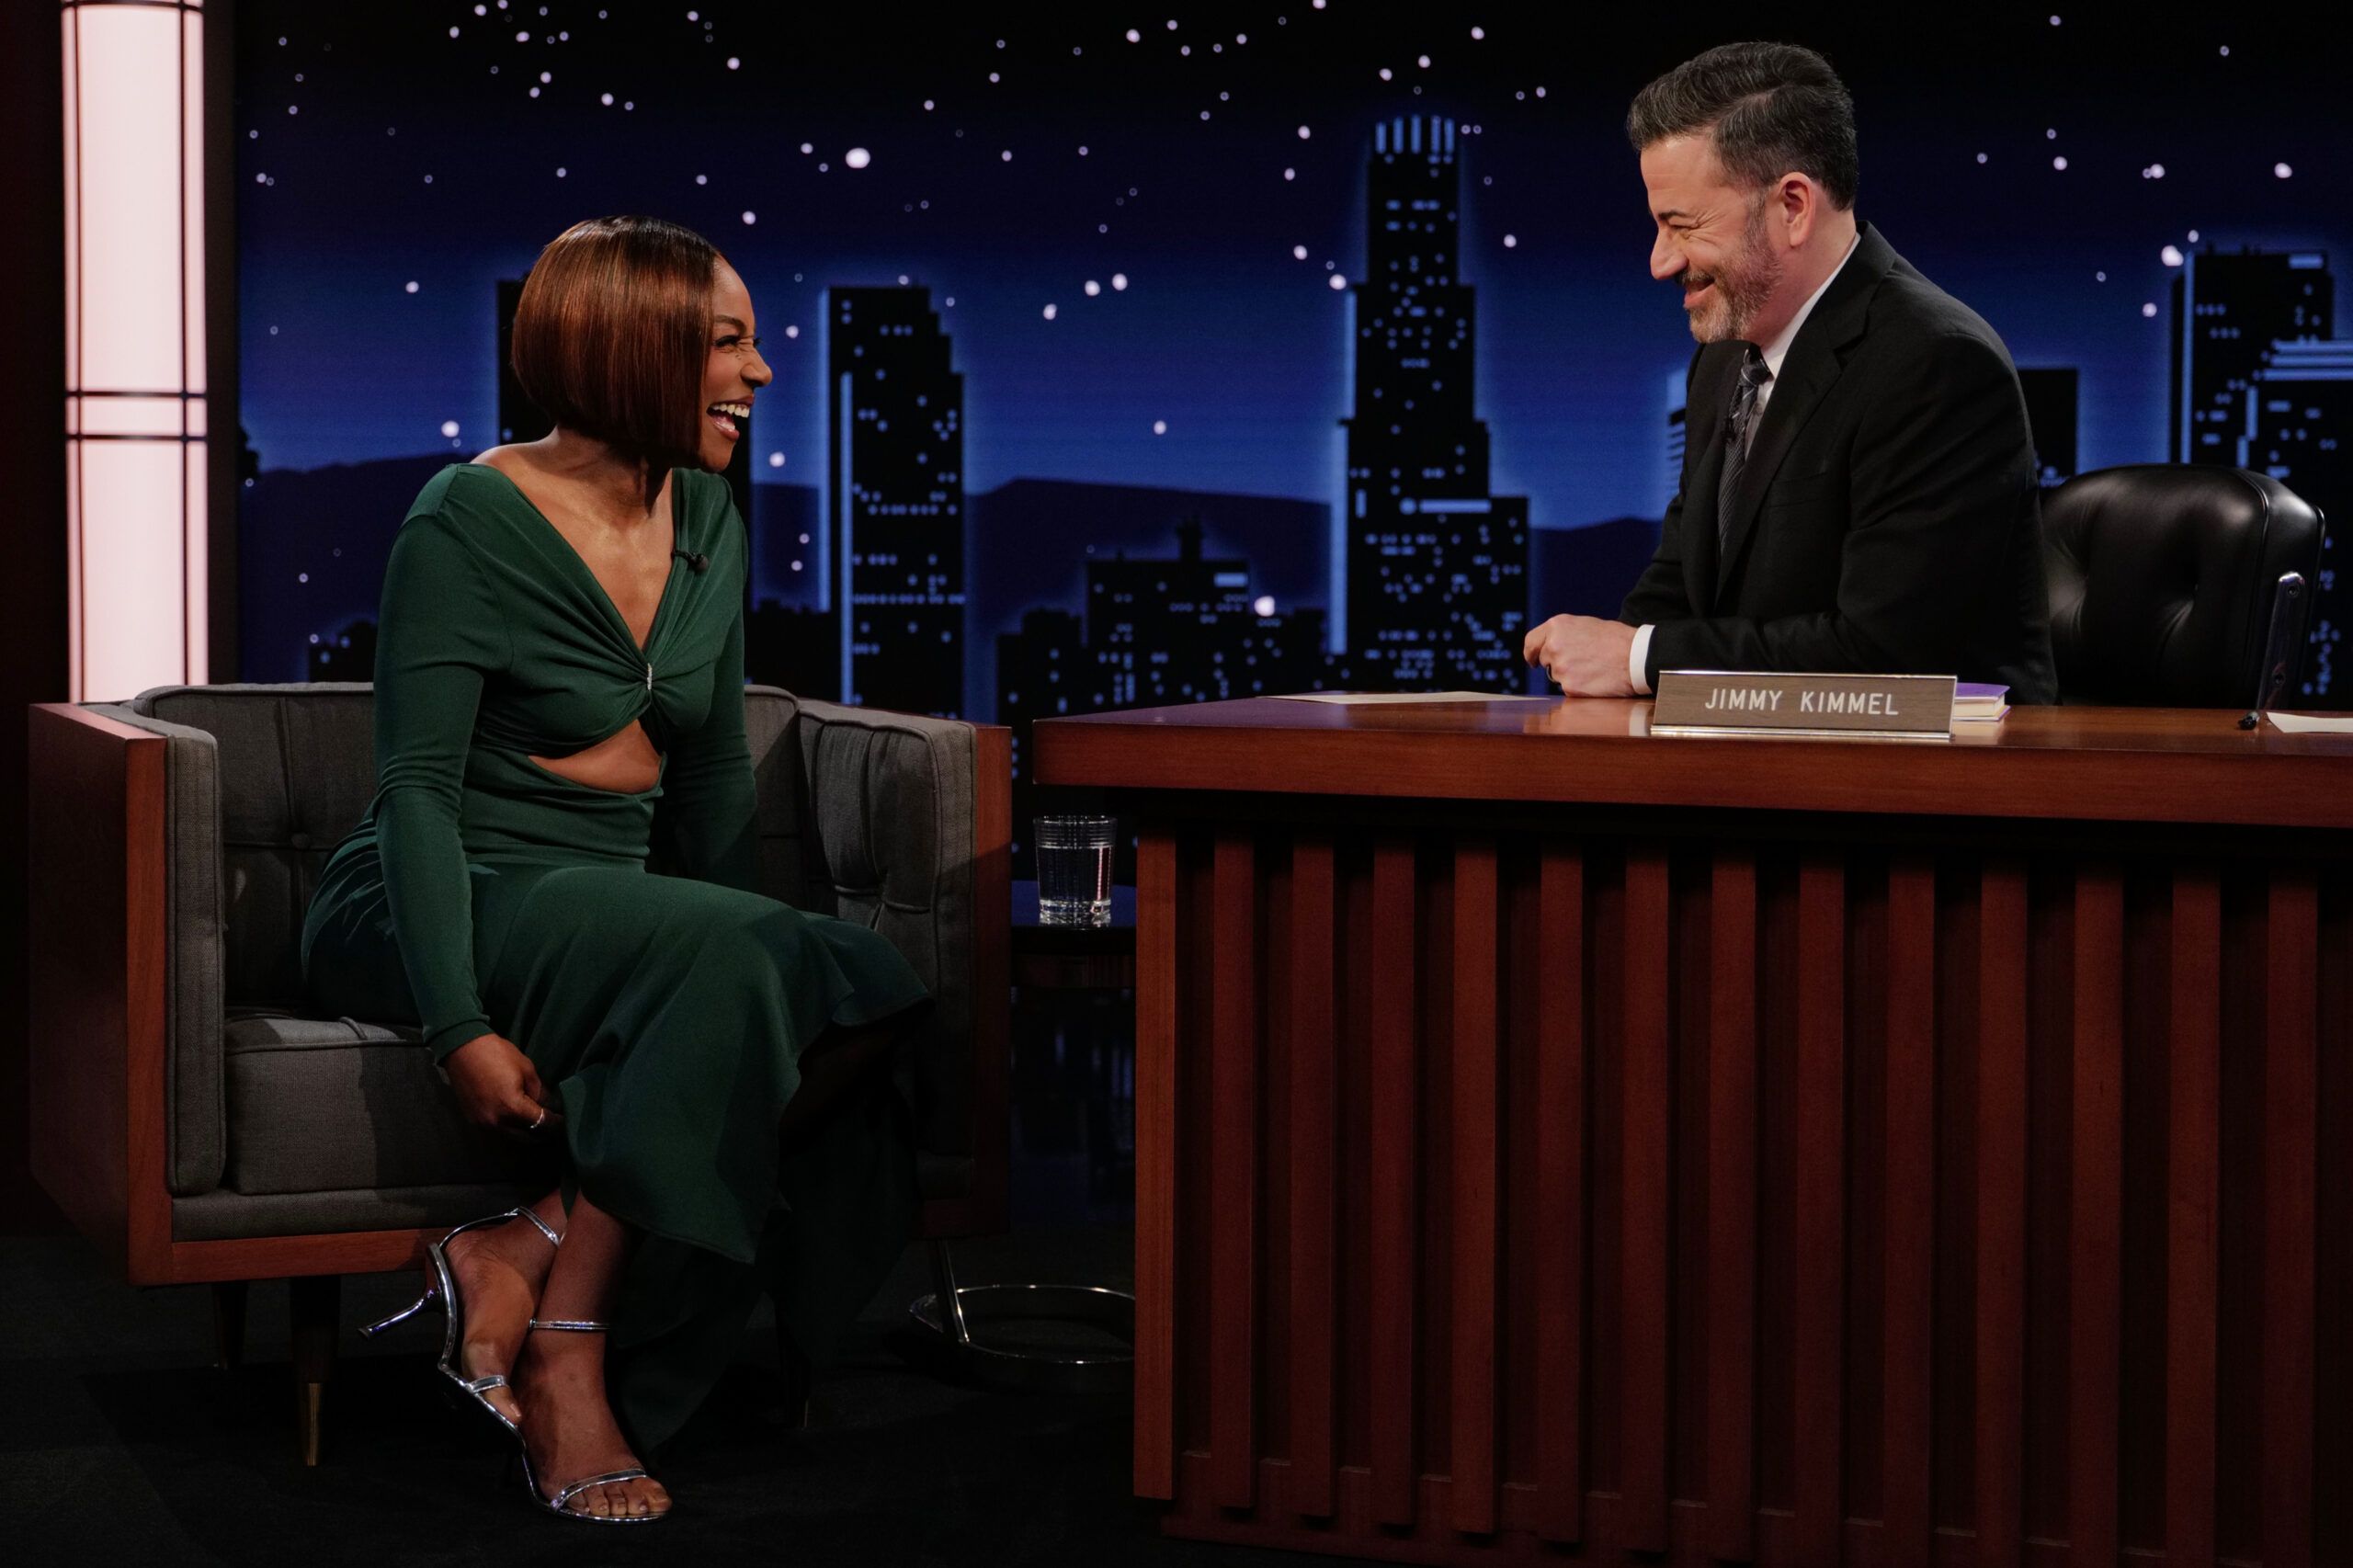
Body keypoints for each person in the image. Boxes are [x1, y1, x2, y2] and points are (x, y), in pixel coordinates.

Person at [301, 215, 933, 1522]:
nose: (762, 371)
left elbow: (709, 777)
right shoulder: (464, 521)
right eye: (728, 342)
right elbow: (416, 792)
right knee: (734, 960)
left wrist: (753, 945)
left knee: (867, 982)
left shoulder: (709, 514)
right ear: (633, 348)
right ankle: (568, 1351)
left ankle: (524, 1236)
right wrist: (456, 1024)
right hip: (445, 887)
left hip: (614, 899)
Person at [1523, 41, 2058, 703]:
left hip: (1937, 764)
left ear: (1794, 206)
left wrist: (1639, 658)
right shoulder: (1723, 360)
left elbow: (1887, 654)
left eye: (1682, 225)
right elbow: (1680, 586)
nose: (1661, 262)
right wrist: (1610, 661)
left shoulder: (1937, 364)